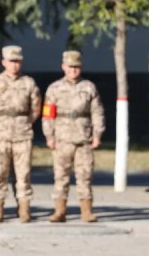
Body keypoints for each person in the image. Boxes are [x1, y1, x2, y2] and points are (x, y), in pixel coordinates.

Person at [42, 50, 105, 223]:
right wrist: (49, 136)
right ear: (63, 67)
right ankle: (59, 211)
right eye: (70, 67)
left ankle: (86, 211)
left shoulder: (89, 87)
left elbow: (97, 112)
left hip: (84, 138)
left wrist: (97, 134)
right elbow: (48, 114)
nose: (73, 70)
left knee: (85, 176)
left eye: (76, 67)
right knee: (61, 176)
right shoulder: (54, 88)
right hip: (62, 139)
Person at [0, 46, 41, 223]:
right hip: (0, 135)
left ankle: (24, 210)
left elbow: (35, 108)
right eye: (11, 61)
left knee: (23, 174)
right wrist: (1, 122)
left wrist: (23, 122)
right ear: (4, 62)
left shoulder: (29, 83)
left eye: (17, 61)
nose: (14, 65)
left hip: (22, 135)